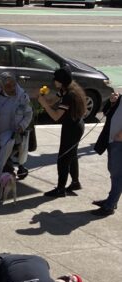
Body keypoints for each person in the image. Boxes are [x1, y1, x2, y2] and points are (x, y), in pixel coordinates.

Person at [38, 65, 87, 198]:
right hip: (75, 126)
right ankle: (75, 182)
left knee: (63, 159)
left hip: (72, 130)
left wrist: (44, 104)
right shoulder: (68, 89)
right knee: (72, 155)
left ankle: (60, 189)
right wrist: (45, 98)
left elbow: (55, 116)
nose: (54, 82)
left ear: (61, 81)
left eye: (56, 80)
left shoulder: (69, 96)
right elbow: (55, 99)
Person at [91, 91, 121, 217]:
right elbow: (106, 113)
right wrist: (112, 102)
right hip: (112, 139)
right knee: (114, 172)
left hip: (119, 141)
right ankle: (111, 200)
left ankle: (110, 205)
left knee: (118, 175)